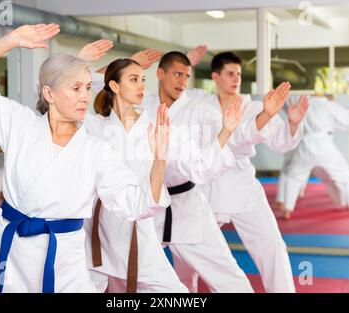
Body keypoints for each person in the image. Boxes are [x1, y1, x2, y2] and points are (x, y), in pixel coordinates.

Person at [0, 23, 168, 293]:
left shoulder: (95, 150)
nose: (85, 97)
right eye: (76, 88)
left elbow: (135, 204)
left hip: (64, 258)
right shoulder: (19, 125)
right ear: (49, 93)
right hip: (13, 252)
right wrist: (12, 39)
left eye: (88, 88)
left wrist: (159, 159)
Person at [85, 55, 245, 292]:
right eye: (133, 79)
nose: (141, 85)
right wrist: (83, 62)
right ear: (115, 86)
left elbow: (200, 165)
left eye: (142, 79)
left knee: (173, 290)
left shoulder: (157, 127)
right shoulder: (96, 126)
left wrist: (226, 131)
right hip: (101, 227)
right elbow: (60, 102)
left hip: (142, 224)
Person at [140, 50, 296, 292]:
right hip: (155, 199)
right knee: (154, 270)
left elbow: (236, 136)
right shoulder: (147, 103)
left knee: (251, 256)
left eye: (186, 75)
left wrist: (265, 115)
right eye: (230, 73)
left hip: (210, 188)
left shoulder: (201, 110)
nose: (236, 79)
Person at [185, 51, 309, 293]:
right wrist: (186, 63)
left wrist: (292, 123)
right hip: (208, 189)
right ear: (215, 77)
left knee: (272, 246)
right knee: (191, 253)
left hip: (243, 186)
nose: (236, 79)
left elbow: (281, 142)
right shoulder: (201, 106)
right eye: (230, 74)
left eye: (239, 74)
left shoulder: (253, 107)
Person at [276, 94, 349, 219]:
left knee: (293, 176)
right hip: (323, 145)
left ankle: (287, 208)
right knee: (343, 174)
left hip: (304, 144)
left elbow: (284, 103)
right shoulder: (328, 106)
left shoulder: (299, 101)